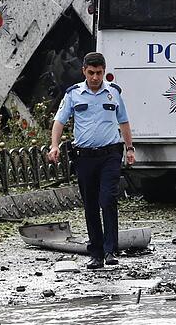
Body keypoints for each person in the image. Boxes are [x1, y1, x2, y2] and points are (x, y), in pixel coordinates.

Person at [47, 52, 135, 269]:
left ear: (104, 72)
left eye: (99, 73)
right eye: (91, 72)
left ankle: (110, 250)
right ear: (84, 71)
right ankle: (95, 252)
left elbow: (123, 121)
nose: (95, 77)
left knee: (108, 200)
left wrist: (130, 148)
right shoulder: (73, 94)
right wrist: (54, 145)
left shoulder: (113, 93)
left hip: (110, 155)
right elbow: (59, 121)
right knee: (91, 205)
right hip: (85, 157)